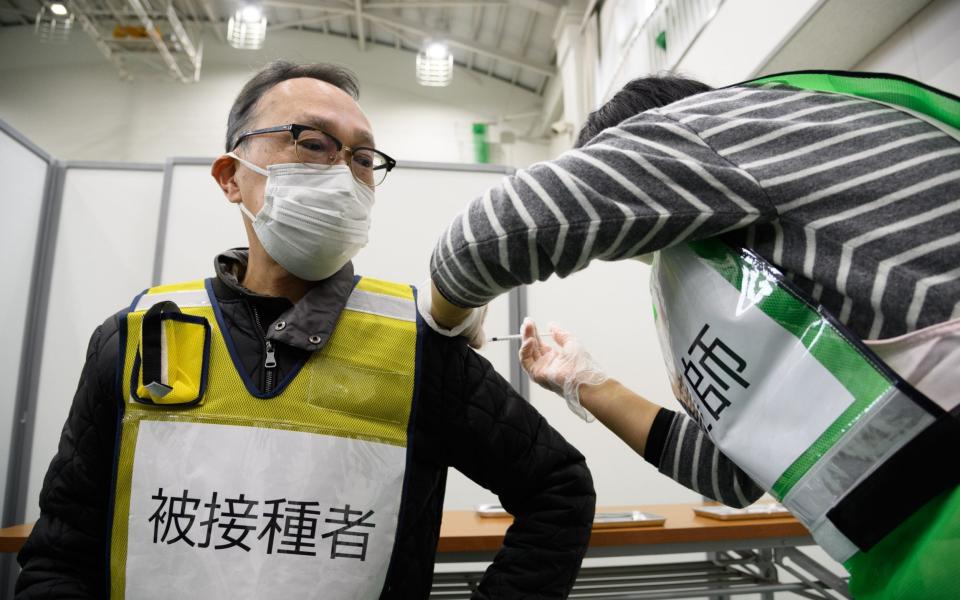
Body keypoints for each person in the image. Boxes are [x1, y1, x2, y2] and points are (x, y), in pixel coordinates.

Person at [15, 61, 595, 600]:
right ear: (231, 176)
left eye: (364, 159)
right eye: (312, 143)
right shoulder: (141, 336)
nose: (345, 173)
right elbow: (64, 548)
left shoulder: (418, 347)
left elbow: (557, 489)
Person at [427, 71, 960, 598]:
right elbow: (734, 476)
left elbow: (484, 238)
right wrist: (583, 382)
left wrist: (451, 316)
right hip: (914, 547)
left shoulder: (711, 129)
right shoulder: (790, 257)